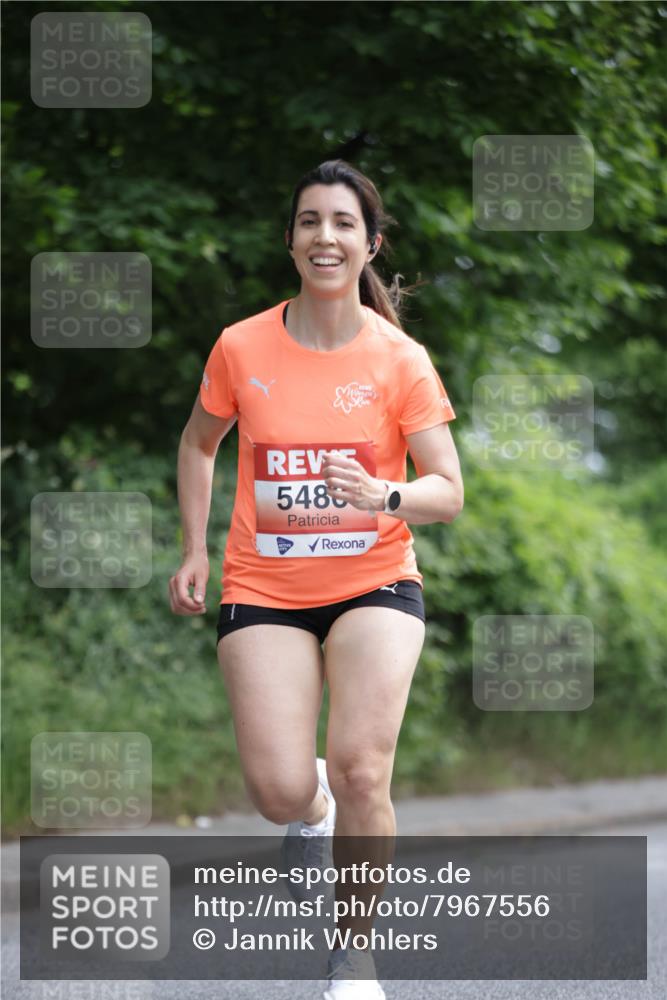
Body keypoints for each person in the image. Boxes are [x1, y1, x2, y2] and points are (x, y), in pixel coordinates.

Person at [169, 159, 464, 1000]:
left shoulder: (399, 358)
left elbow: (448, 490)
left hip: (375, 580)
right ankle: (311, 812)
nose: (323, 237)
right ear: (291, 239)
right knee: (278, 790)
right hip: (262, 586)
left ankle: (354, 955)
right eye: (308, 222)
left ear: (368, 245)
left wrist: (387, 493)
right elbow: (199, 443)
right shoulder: (241, 345)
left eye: (341, 223)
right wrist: (194, 548)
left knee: (363, 767)